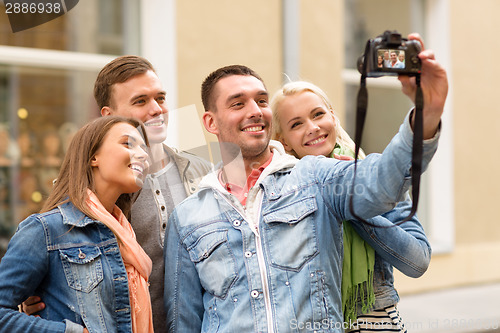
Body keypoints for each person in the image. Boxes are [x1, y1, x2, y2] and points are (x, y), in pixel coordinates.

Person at [163, 33, 447, 332]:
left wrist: (427, 113)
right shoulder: (187, 217)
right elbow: (184, 321)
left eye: (261, 100)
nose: (255, 110)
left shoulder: (316, 176)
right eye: (238, 103)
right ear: (210, 122)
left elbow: (383, 179)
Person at [22, 55, 212, 333]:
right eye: (140, 101)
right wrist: (38, 293)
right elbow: (53, 252)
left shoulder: (202, 172)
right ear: (108, 116)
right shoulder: (90, 187)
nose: (156, 109)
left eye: (160, 98)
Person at [270, 80, 431, 331]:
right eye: (297, 124)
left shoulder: (375, 178)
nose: (312, 127)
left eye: (318, 114)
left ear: (332, 117)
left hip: (375, 321)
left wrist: (354, 204)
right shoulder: (279, 194)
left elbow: (417, 261)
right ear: (285, 141)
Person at [0, 116, 153, 333]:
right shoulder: (46, 230)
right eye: (128, 143)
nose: (143, 155)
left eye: (144, 148)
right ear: (93, 157)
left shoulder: (125, 235)